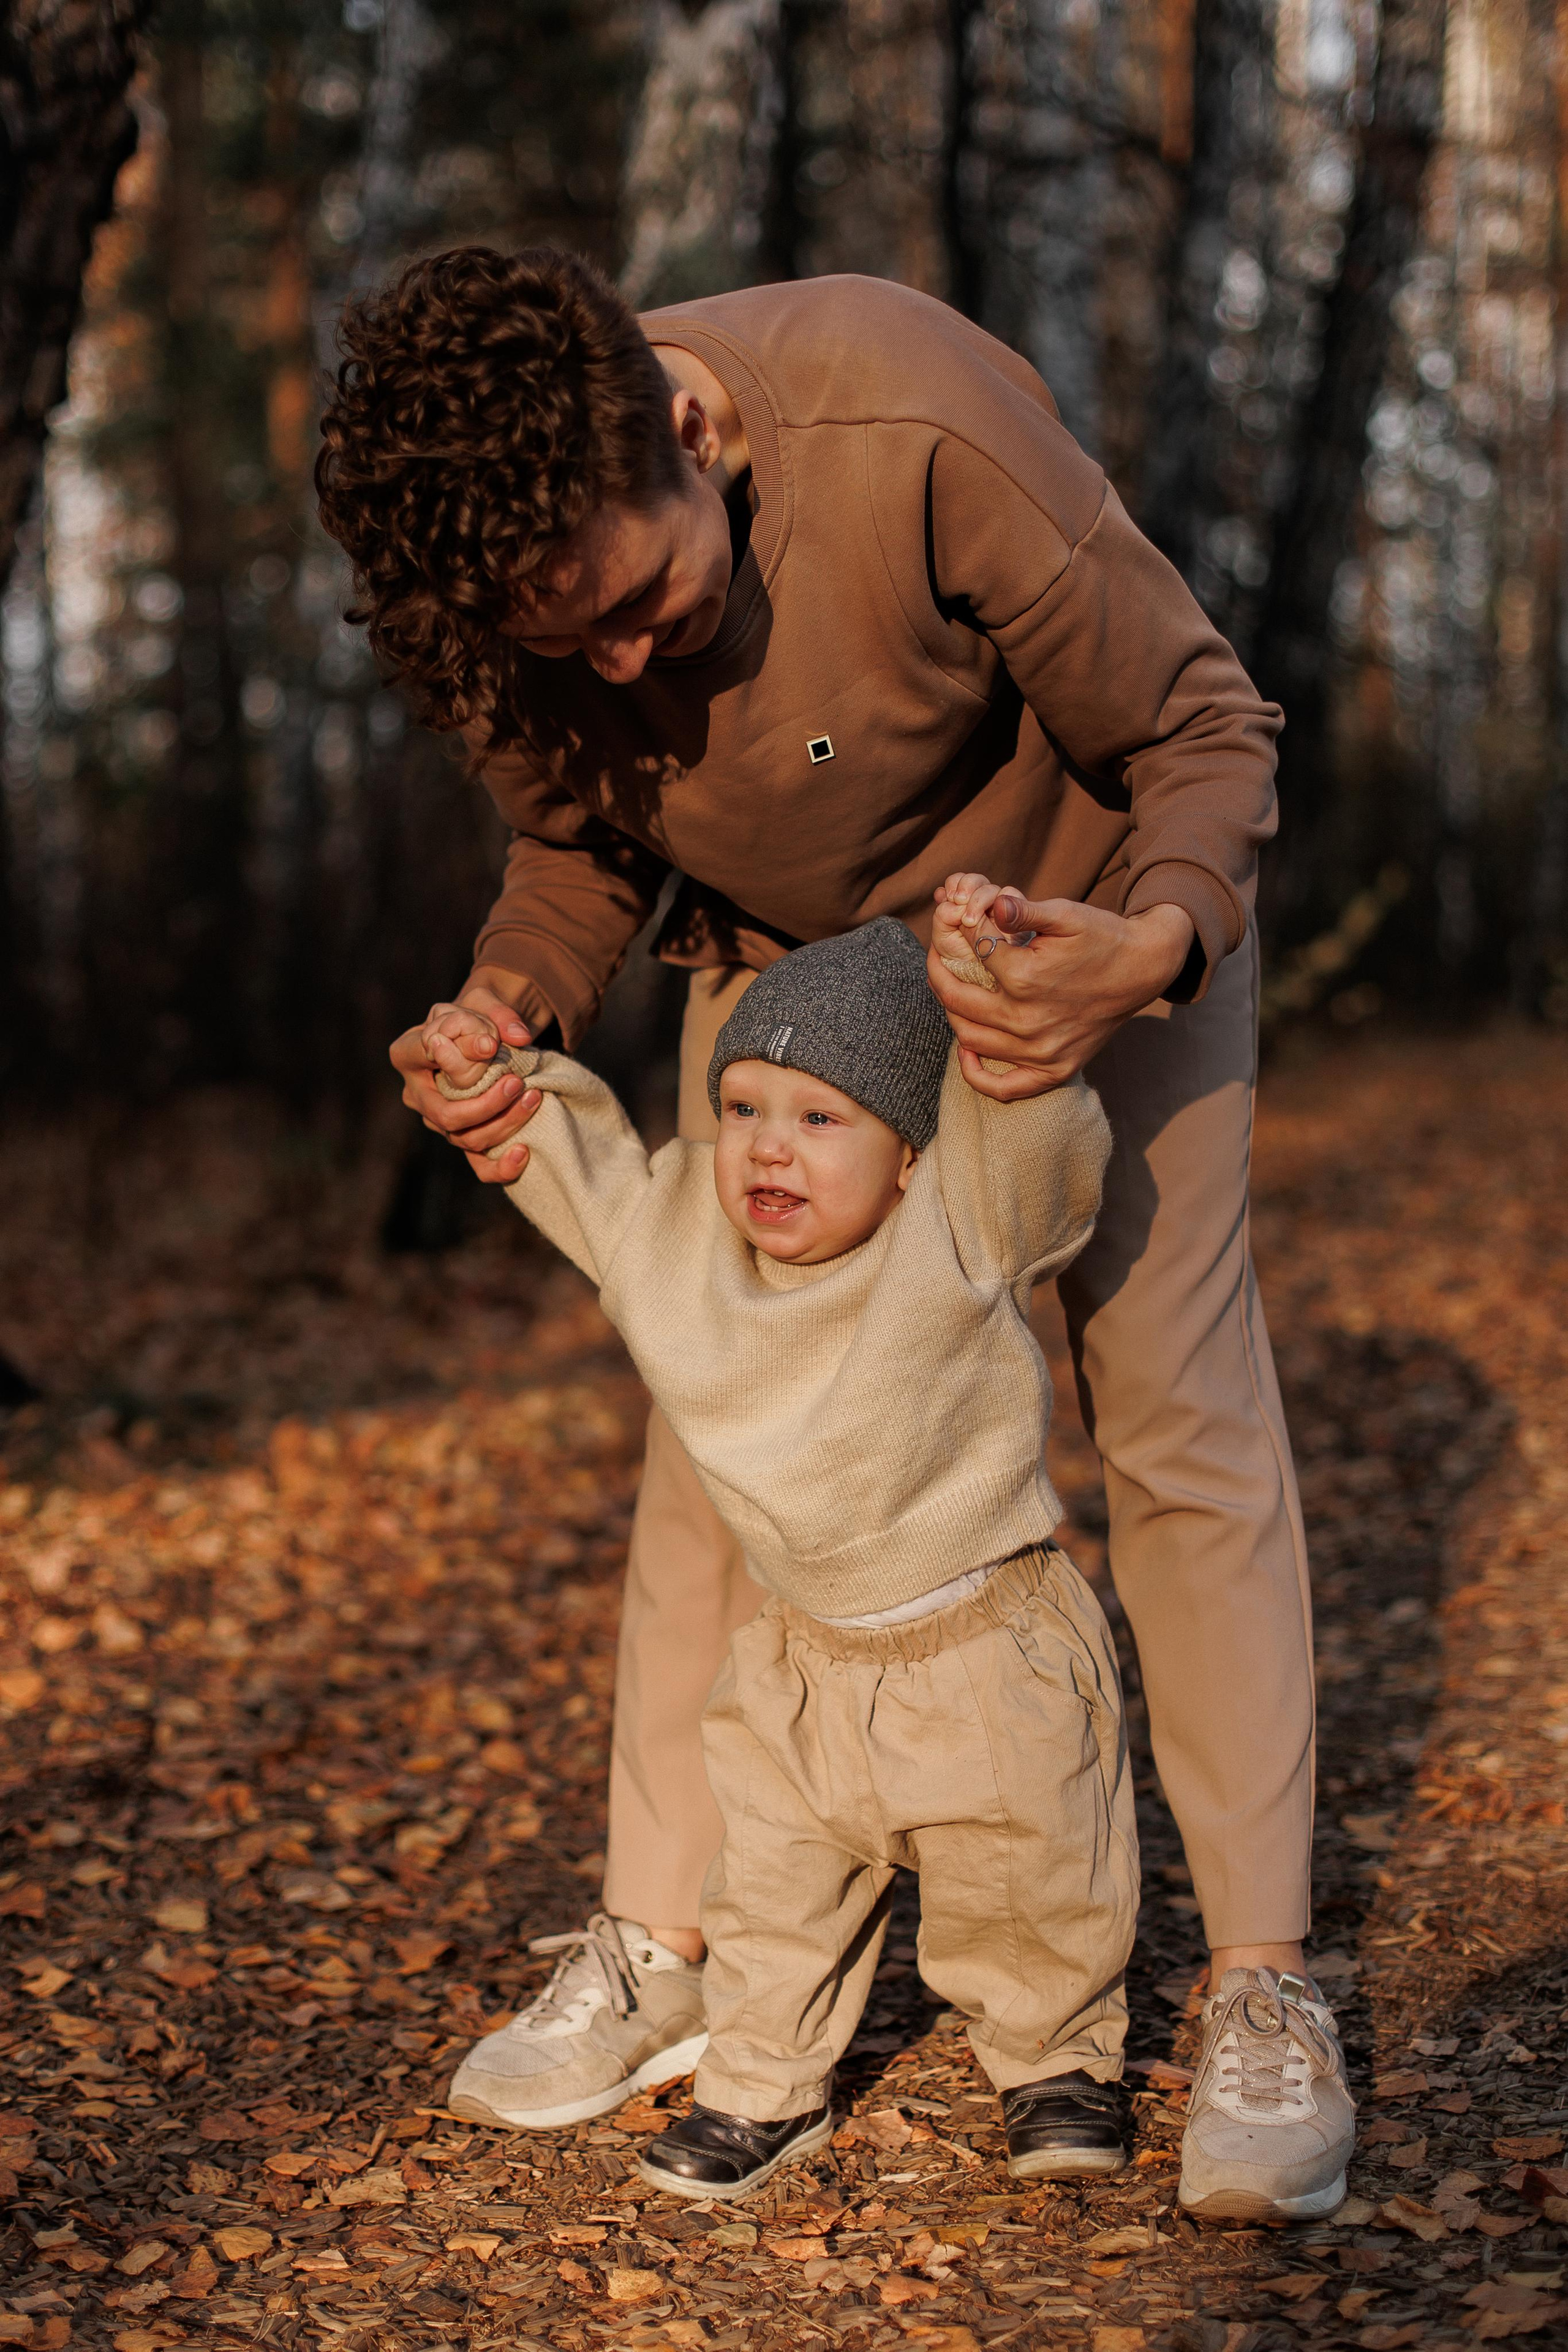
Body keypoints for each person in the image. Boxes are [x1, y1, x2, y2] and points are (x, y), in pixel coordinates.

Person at [315, 244, 1355, 2222]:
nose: (621, 668)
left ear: (690, 430)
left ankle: (1259, 1987)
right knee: (721, 1445)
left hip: (1088, 932)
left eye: (639, 607)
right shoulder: (516, 585)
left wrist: (1144, 948)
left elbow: (1206, 731)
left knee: (1174, 1414)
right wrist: (505, 1008)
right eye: (571, 645)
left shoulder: (908, 419)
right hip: (798, 989)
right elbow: (577, 849)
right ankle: (663, 1941)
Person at [424, 893, 1150, 2197]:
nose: (769, 1149)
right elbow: (579, 1165)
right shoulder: (681, 1246)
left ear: (912, 1153)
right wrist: (496, 1075)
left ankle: (1054, 2060)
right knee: (771, 1892)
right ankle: (763, 2084)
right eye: (745, 1108)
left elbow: (1038, 1155)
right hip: (799, 1658)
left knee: (1027, 1883)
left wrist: (1004, 1035)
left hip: (982, 1645)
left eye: (822, 1120)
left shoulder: (961, 1224)